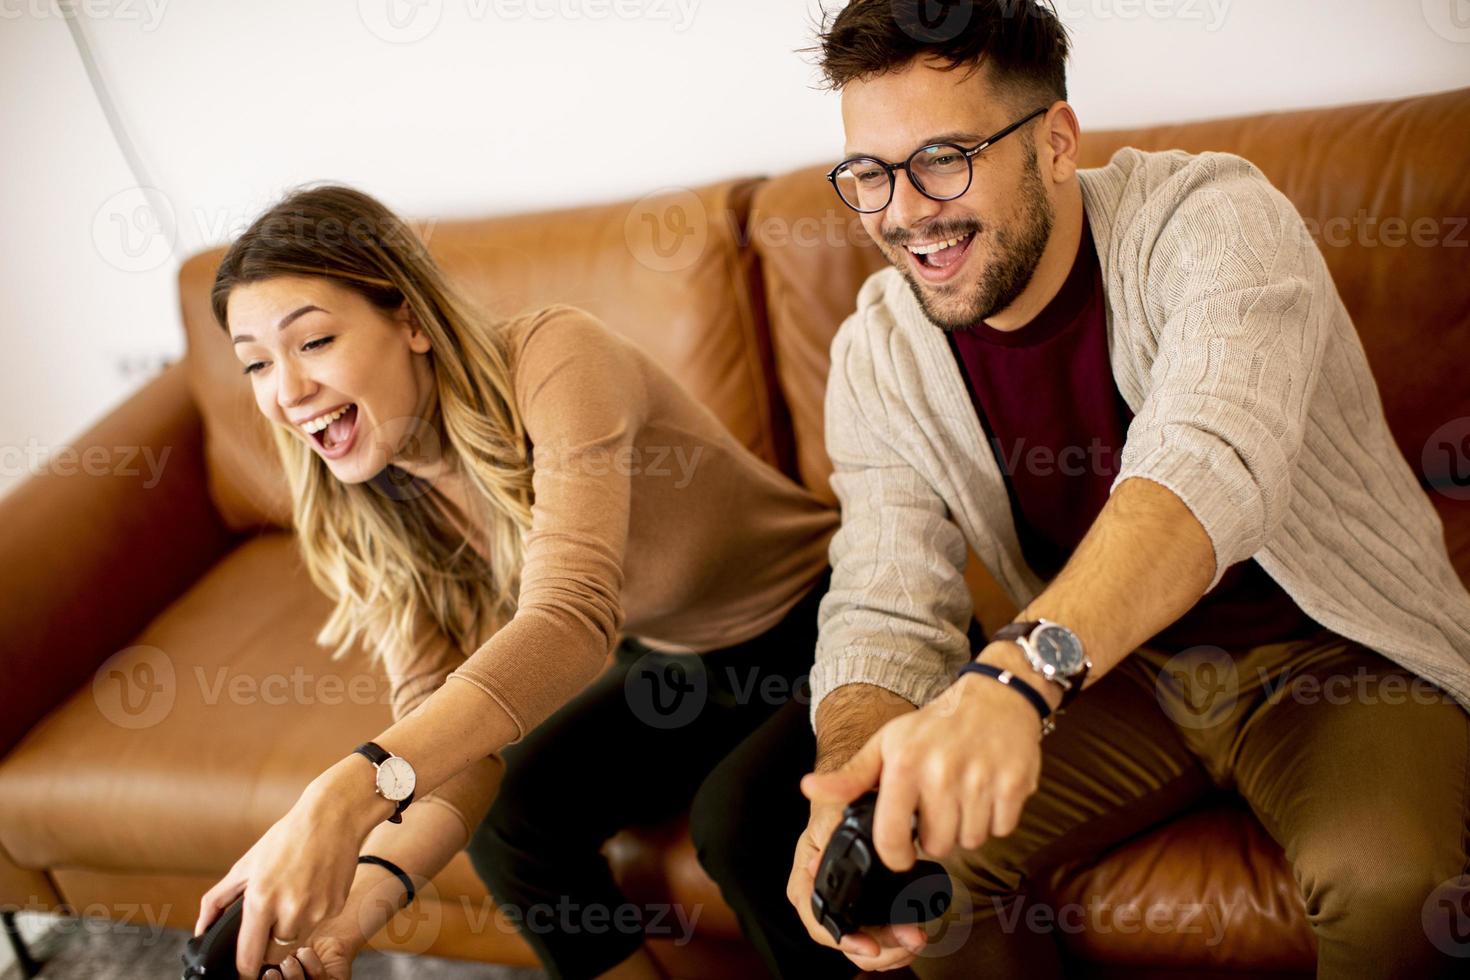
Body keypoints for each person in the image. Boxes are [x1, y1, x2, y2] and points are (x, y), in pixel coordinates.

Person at [750, 2, 1470, 977]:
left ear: (1054, 142)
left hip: (1331, 653)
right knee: (920, 861)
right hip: (1119, 675)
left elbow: (1209, 457)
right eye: (869, 174)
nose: (906, 210)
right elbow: (884, 594)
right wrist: (851, 784)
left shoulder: (1213, 217)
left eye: (943, 159)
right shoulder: (878, 348)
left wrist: (1015, 675)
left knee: (1389, 878)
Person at [190, 183, 855, 979]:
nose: (287, 392)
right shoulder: (371, 501)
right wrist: (348, 925)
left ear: (408, 319)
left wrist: (341, 795)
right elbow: (444, 754)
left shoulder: (556, 356)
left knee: (740, 823)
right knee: (511, 819)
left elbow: (571, 618)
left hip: (827, 615)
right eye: (256, 364)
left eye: (314, 342)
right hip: (679, 661)